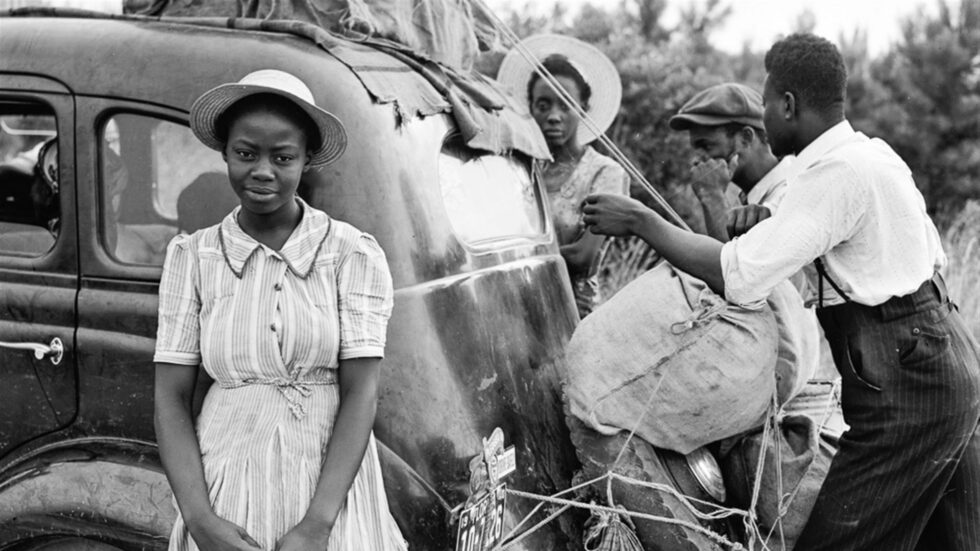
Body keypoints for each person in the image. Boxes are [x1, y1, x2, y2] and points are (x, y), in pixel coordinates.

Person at [583, 33, 980, 550]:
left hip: (907, 383)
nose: (764, 116)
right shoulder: (868, 157)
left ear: (788, 104)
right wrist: (768, 220)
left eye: (767, 103)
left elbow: (738, 275)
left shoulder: (833, 175)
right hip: (944, 362)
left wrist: (641, 220)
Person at [153, 69, 407, 551]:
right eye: (246, 153)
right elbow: (169, 398)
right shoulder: (194, 258)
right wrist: (201, 519)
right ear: (225, 153)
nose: (263, 170)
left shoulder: (349, 254)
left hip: (328, 487)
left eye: (283, 157)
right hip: (225, 481)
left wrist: (317, 526)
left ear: (307, 159)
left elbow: (361, 392)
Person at [669, 82, 825, 406]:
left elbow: (734, 280)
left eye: (706, 145)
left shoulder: (787, 194)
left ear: (746, 139)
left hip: (783, 360)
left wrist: (712, 197)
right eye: (694, 149)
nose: (698, 159)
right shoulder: (756, 196)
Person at [497, 34, 630, 318]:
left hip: (573, 315)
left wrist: (507, 261)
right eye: (543, 105)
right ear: (531, 109)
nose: (553, 116)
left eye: (565, 104)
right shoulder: (521, 169)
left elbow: (584, 257)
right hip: (516, 311)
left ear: (583, 108)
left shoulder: (605, 173)